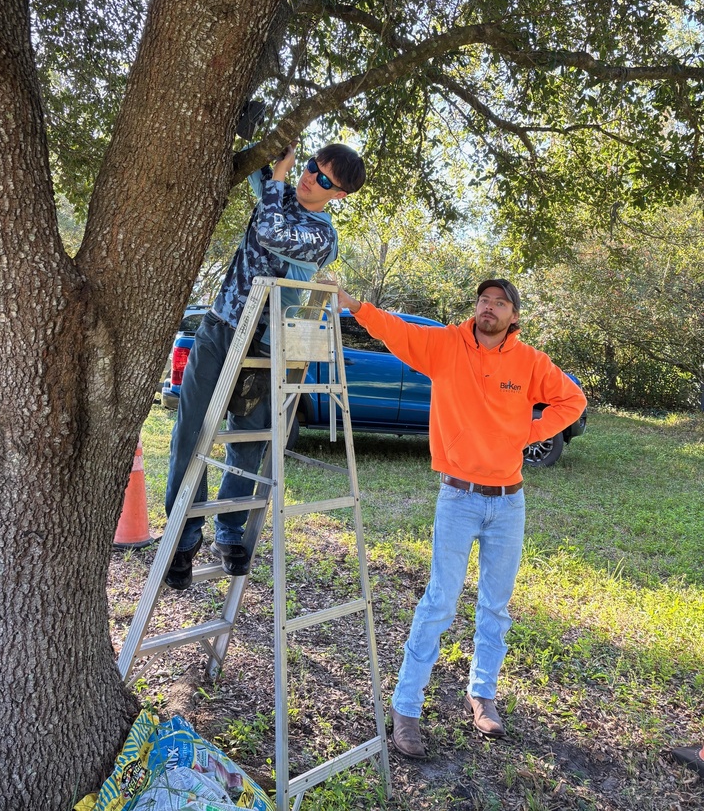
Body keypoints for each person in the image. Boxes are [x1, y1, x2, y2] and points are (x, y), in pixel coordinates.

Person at [334, 278, 587, 757]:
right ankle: (406, 707)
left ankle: (482, 695)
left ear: (514, 316)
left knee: (496, 606)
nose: (488, 308)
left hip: (509, 502)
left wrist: (530, 430)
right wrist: (356, 306)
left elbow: (572, 401)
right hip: (458, 498)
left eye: (500, 303)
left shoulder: (530, 362)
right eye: (483, 300)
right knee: (439, 603)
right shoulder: (446, 345)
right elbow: (396, 330)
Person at [165, 142, 366, 587]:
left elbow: (272, 233)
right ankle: (183, 536)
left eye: (325, 179)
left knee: (248, 440)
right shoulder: (275, 189)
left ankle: (230, 530)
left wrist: (276, 180)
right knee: (190, 429)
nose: (311, 177)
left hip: (268, 344)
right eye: (312, 166)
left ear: (340, 195)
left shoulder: (322, 237)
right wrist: (269, 135)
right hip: (221, 327)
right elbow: (252, 156)